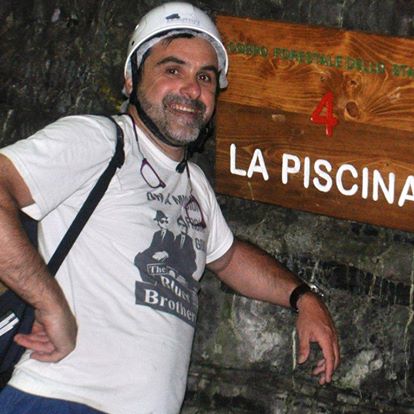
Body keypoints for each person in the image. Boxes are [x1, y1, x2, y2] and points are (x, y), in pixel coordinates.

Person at [0, 2, 340, 413]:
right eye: (173, 70)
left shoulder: (194, 184)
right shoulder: (101, 140)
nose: (192, 90)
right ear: (131, 78)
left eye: (205, 77)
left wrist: (303, 297)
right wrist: (49, 302)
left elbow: (229, 258)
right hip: (59, 397)